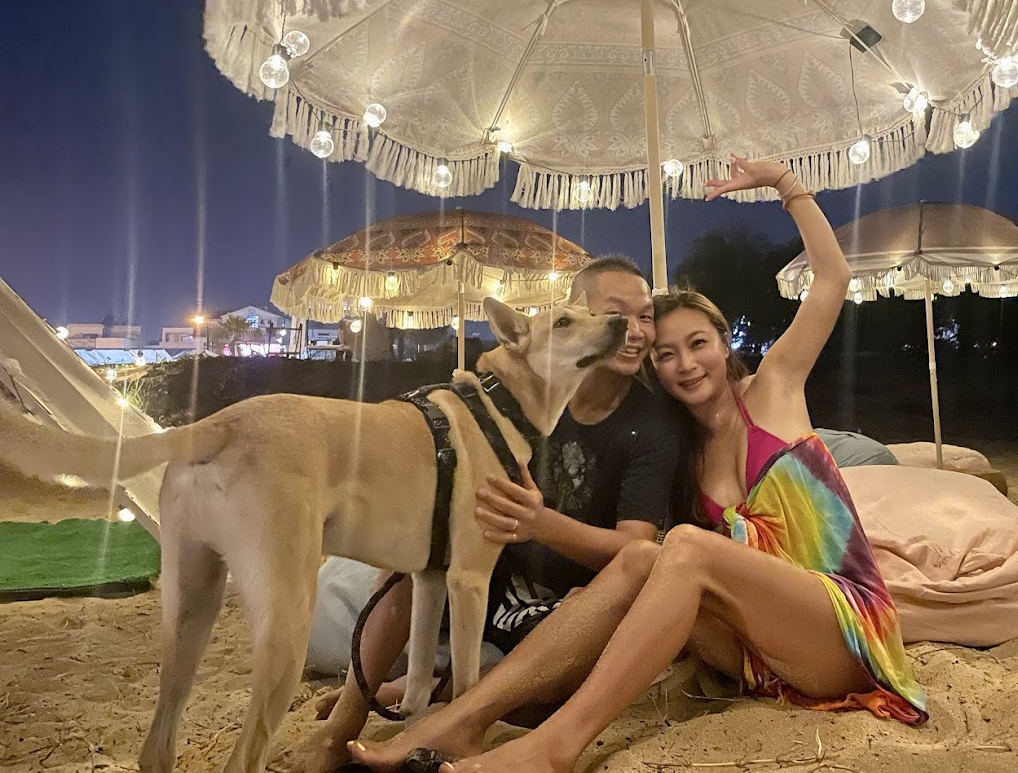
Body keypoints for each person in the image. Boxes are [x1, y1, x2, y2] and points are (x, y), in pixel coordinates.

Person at [344, 156, 926, 773]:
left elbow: (832, 278)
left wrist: (786, 185)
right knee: (643, 561)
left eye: (698, 344)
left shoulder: (775, 390)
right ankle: (461, 721)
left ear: (724, 342)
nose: (686, 364)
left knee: (684, 546)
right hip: (754, 653)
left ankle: (554, 748)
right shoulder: (682, 447)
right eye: (667, 354)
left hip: (842, 634)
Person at [274, 256, 681, 773]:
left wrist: (542, 525)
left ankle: (443, 696)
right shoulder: (516, 399)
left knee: (548, 680)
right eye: (614, 313)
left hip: (560, 601)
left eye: (646, 316)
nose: (632, 329)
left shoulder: (649, 427)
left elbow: (636, 550)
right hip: (488, 574)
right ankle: (348, 719)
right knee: (413, 550)